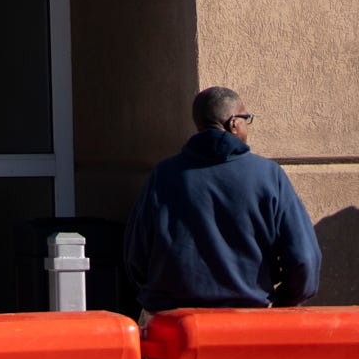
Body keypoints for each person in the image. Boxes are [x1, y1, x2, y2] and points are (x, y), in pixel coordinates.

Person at [122, 87, 321, 314]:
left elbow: (135, 257)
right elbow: (304, 259)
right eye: (247, 119)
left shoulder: (163, 175)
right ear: (233, 123)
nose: (248, 125)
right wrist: (281, 304)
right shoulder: (268, 175)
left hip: (172, 323)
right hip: (247, 319)